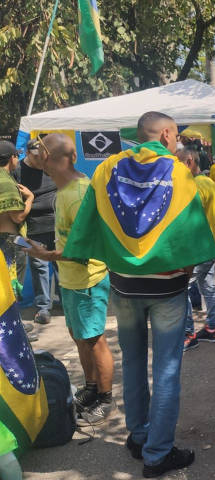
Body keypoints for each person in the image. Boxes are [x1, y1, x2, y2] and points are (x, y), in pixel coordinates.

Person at [108, 112, 195, 477]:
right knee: (166, 369)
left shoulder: (109, 169)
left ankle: (139, 436)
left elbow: (95, 221)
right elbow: (192, 233)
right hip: (166, 288)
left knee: (131, 362)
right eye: (175, 136)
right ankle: (157, 454)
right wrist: (187, 271)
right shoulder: (179, 173)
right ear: (164, 134)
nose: (176, 142)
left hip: (123, 284)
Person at [22, 134, 115, 425]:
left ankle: (105, 397)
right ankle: (90, 388)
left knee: (95, 340)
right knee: (80, 339)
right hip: (72, 281)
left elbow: (86, 250)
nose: (36, 158)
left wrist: (47, 255)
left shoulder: (79, 194)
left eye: (41, 153)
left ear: (52, 159)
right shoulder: (63, 191)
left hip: (88, 281)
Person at [176, 147, 215, 351]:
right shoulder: (209, 182)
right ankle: (213, 329)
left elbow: (187, 221)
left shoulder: (194, 186)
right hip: (212, 245)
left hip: (199, 250)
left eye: (177, 163)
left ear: (188, 162)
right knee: (208, 287)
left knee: (181, 289)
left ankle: (189, 334)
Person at [16, 137, 58, 325]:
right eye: (37, 158)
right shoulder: (17, 172)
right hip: (32, 228)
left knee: (62, 265)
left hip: (58, 226)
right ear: (27, 154)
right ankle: (43, 308)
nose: (42, 161)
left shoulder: (52, 165)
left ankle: (66, 302)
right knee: (39, 268)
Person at [0, 141, 32, 298]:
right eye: (17, 155)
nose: (18, 159)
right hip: (11, 241)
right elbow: (17, 216)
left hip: (8, 240)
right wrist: (30, 199)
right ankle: (13, 321)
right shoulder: (6, 182)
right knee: (12, 287)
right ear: (11, 158)